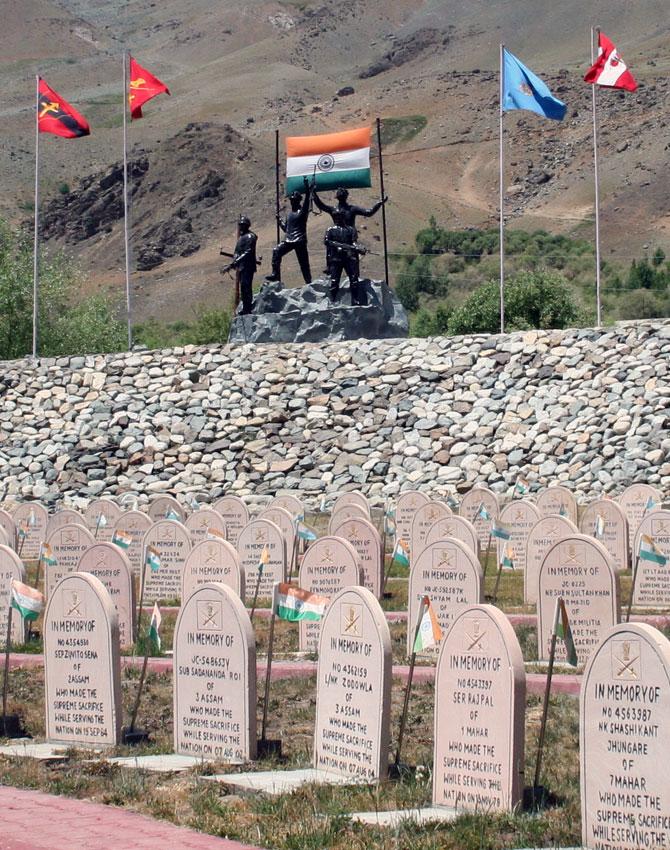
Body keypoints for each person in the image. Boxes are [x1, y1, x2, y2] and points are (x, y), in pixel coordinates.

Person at [313, 187, 387, 305]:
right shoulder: (333, 211)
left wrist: (379, 203)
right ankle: (332, 298)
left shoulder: (352, 209)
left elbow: (369, 212)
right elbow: (321, 205)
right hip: (336, 244)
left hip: (350, 240)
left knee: (354, 277)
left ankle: (355, 299)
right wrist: (312, 193)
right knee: (334, 276)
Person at [266, 176, 312, 284]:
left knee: (304, 263)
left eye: (294, 200)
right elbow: (286, 229)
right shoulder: (290, 214)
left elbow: (307, 201)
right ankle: (275, 275)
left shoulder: (302, 212)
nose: (292, 202)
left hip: (300, 240)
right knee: (276, 251)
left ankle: (308, 282)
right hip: (289, 240)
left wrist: (307, 188)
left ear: (298, 201)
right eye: (291, 200)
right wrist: (279, 220)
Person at [222, 215, 258, 314]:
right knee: (243, 287)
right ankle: (246, 308)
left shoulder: (250, 236)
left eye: (243, 225)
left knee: (246, 287)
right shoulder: (241, 238)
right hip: (242, 266)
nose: (241, 227)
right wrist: (232, 263)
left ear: (247, 225)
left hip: (248, 266)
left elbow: (248, 252)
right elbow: (237, 252)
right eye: (240, 225)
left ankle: (248, 308)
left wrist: (234, 263)